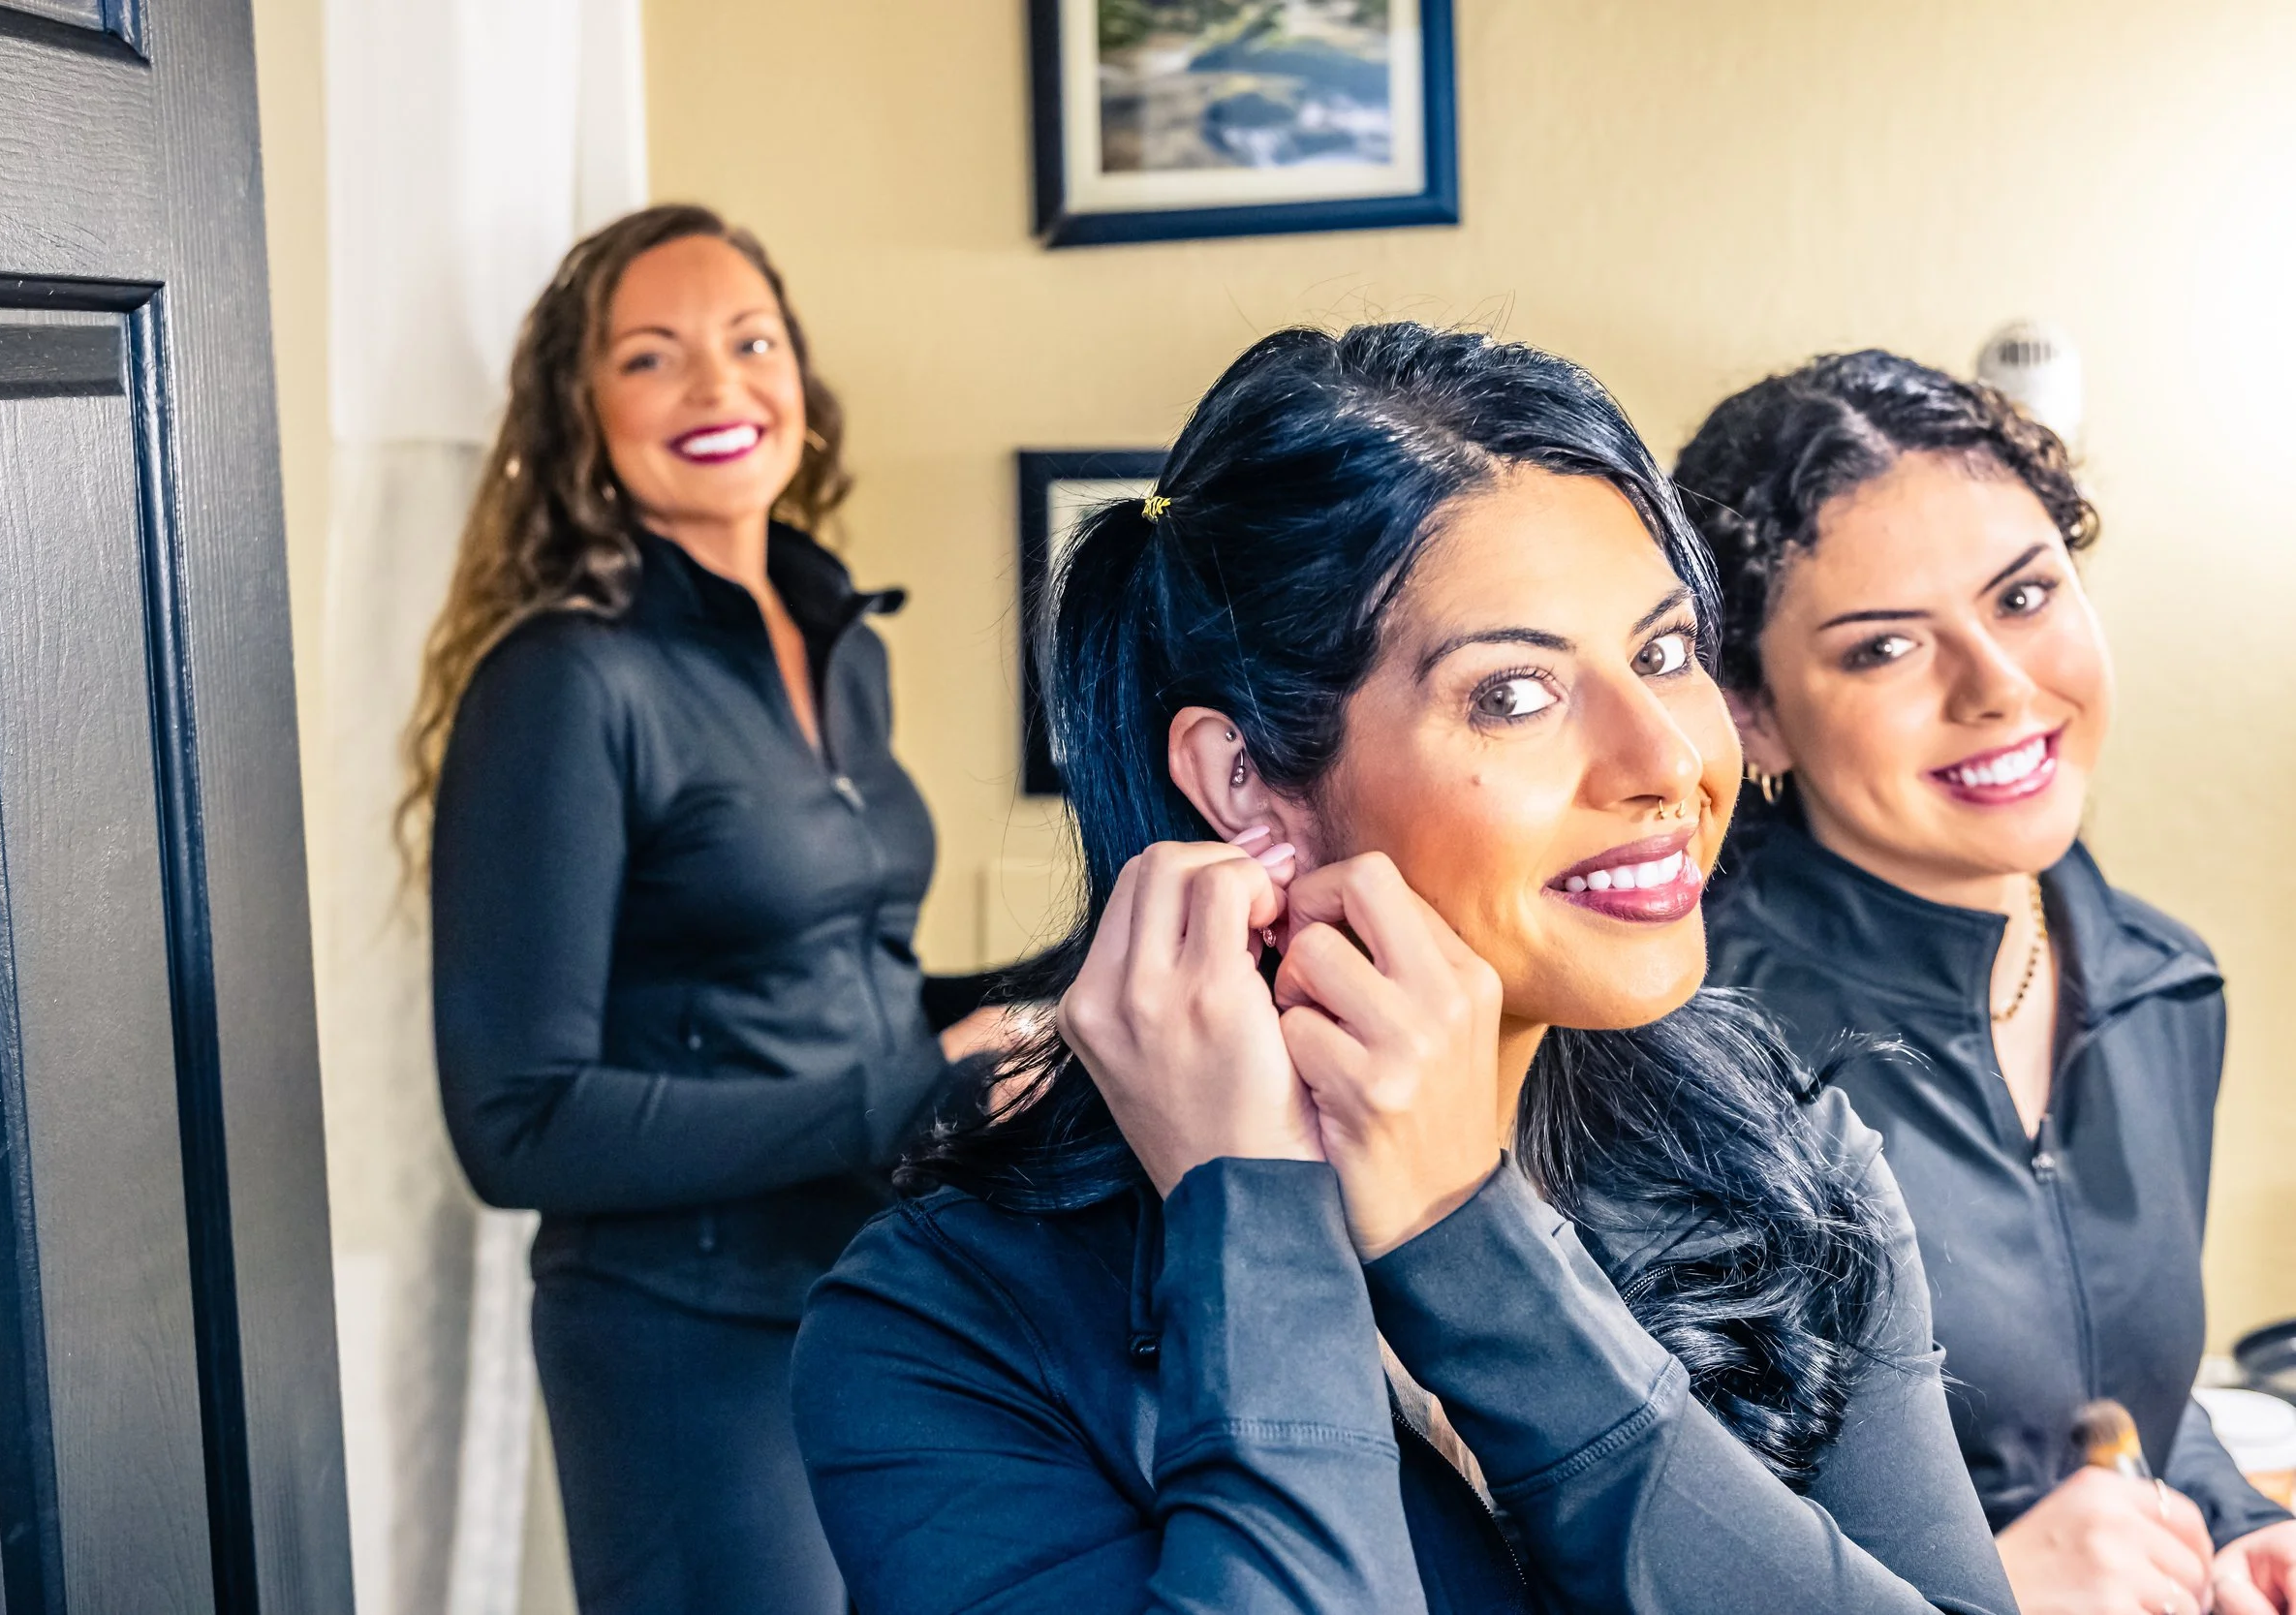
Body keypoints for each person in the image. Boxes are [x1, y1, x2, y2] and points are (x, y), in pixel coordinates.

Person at [791, 323, 2019, 1615]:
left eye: (1662, 652)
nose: (1666, 757)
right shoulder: (948, 1326)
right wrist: (1252, 1214)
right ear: (1245, 785)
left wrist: (1469, 1249)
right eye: (1518, 694)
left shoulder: (1787, 1168)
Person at [408, 203, 1008, 1615]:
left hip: (868, 1289)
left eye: (752, 342)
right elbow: (516, 1120)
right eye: (650, 359)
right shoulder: (565, 683)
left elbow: (849, 976)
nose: (719, 386)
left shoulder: (838, 644)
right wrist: (901, 1099)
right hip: (685, 1337)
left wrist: (1081, 977)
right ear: (578, 415)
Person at [1678, 350, 2296, 1615]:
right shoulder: (1690, 1041)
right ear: (1754, 715)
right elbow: (1603, 1535)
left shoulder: (2160, 980)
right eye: (1887, 647)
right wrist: (1988, 1586)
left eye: (2023, 596)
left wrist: (2240, 1529)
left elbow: (2127, 1412)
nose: (1999, 688)